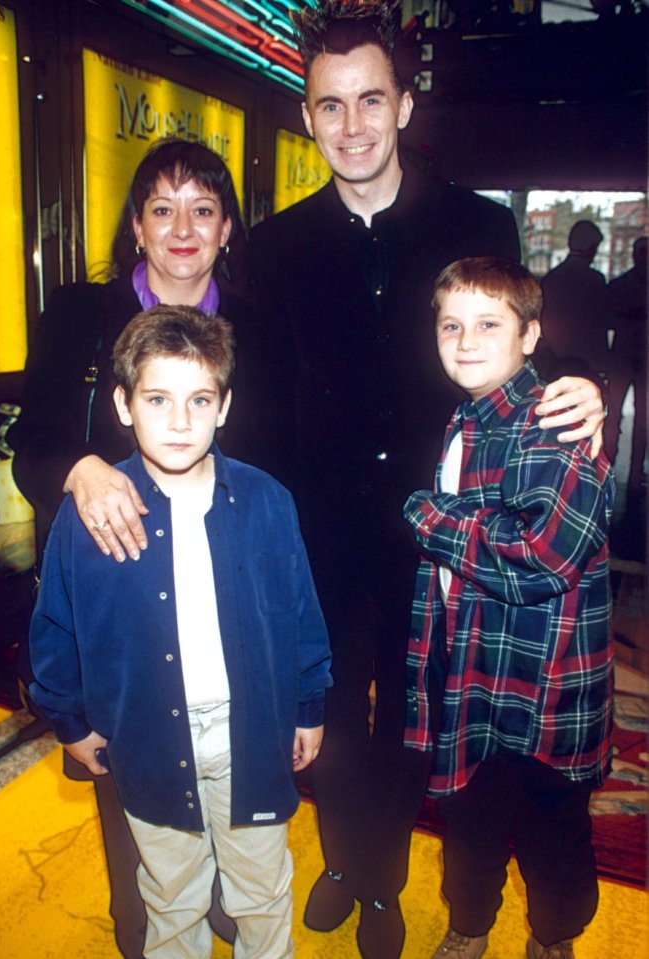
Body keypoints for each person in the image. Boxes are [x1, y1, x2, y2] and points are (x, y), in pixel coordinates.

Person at [246, 3, 606, 957]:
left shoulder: (475, 220)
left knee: (417, 721)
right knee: (326, 714)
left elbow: (526, 343)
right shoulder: (272, 248)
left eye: (372, 99)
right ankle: (343, 861)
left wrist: (585, 391)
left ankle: (387, 882)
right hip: (315, 531)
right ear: (308, 116)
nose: (354, 125)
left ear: (404, 104)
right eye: (331, 105)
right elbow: (258, 408)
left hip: (443, 531)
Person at [10, 137, 275, 958]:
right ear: (138, 225)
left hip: (226, 602)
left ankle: (228, 901)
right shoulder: (79, 317)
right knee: (142, 845)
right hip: (118, 606)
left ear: (227, 226)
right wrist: (80, 467)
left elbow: (287, 460)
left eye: (203, 208)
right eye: (164, 208)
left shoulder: (260, 325)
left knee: (240, 812)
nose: (184, 226)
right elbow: (34, 445)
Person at [28, 305, 333, 959]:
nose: (179, 419)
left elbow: (302, 611)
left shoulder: (267, 500)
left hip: (250, 734)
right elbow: (54, 627)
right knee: (172, 896)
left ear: (224, 406)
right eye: (157, 398)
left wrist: (309, 705)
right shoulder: (89, 516)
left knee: (262, 890)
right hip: (147, 741)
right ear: (122, 403)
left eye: (199, 399)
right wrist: (72, 720)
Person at [403, 257, 614, 959]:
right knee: (468, 821)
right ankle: (469, 925)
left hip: (544, 684)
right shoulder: (467, 416)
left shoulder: (551, 417)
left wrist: (429, 518)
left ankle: (553, 938)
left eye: (488, 324)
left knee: (555, 834)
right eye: (451, 324)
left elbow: (546, 556)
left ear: (530, 334)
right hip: (473, 674)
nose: (465, 340)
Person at [539, 219, 610, 381]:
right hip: (588, 362)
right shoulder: (595, 280)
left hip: (555, 360)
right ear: (592, 248)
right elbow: (602, 320)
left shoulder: (551, 278)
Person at [605, 235, 647, 495]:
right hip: (632, 358)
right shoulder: (619, 285)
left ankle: (615, 470)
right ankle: (626, 473)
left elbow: (607, 318)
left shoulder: (619, 285)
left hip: (625, 358)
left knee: (621, 416)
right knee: (622, 417)